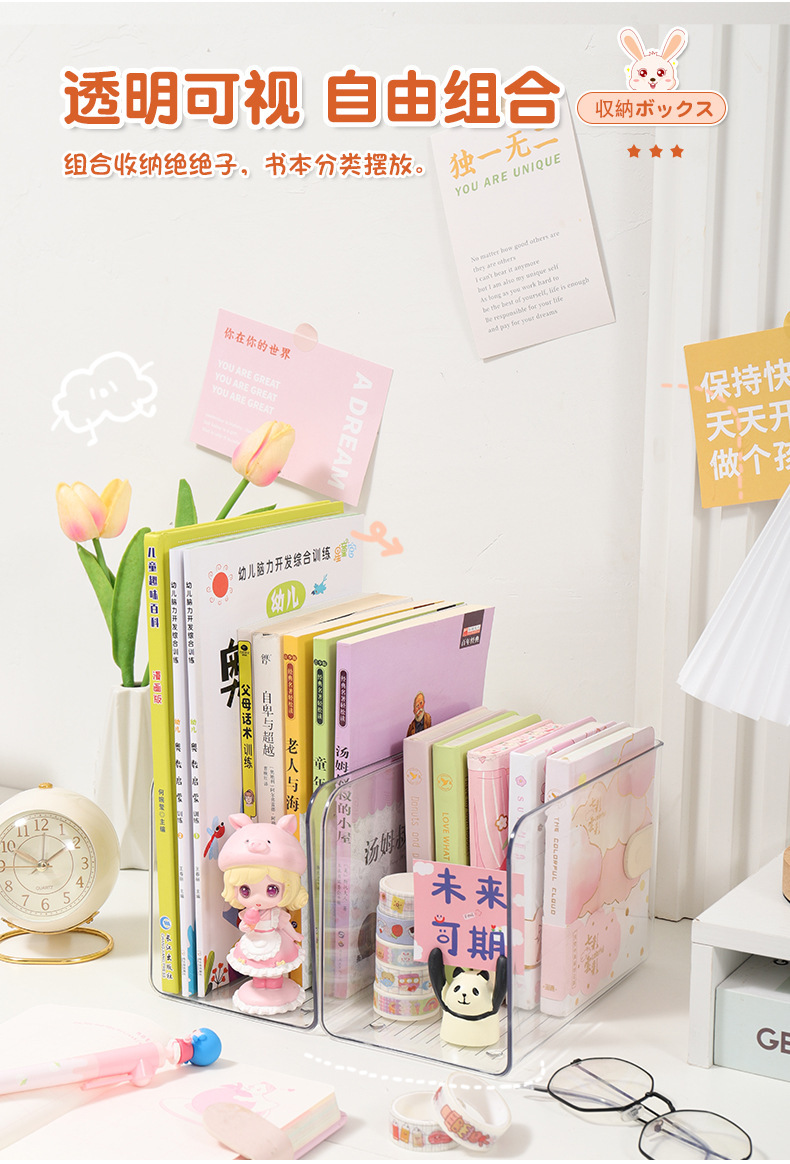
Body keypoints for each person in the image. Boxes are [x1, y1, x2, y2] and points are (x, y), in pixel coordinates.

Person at [219, 813, 309, 1016]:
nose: (258, 899)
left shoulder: (276, 914)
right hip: (254, 941)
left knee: (275, 970)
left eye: (271, 890)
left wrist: (295, 936)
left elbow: (284, 925)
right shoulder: (247, 912)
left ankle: (275, 985)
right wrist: (246, 925)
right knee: (257, 970)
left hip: (275, 942)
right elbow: (243, 925)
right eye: (245, 891)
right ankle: (259, 985)